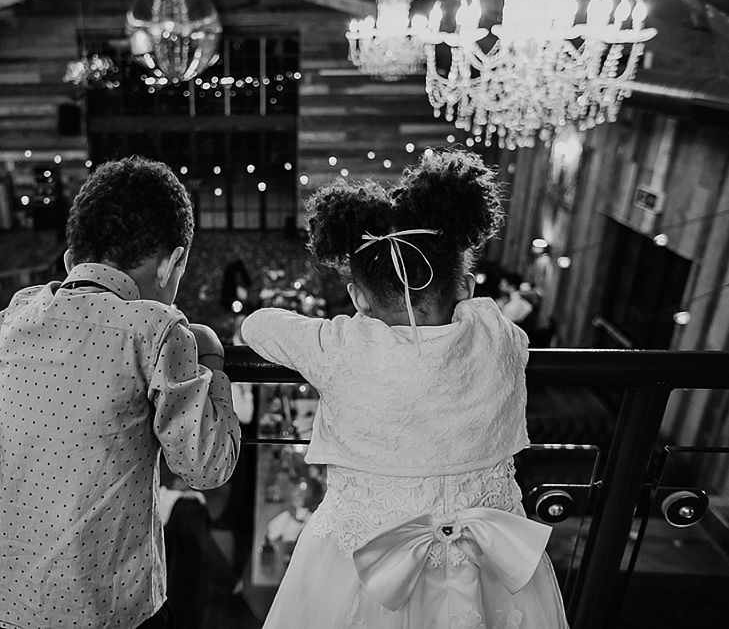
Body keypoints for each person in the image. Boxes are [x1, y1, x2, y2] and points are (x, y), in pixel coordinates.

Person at [241, 150, 568, 629]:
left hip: (361, 569)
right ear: (468, 286)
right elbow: (496, 321)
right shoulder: (498, 335)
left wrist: (358, 321)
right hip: (490, 571)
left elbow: (257, 325)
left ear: (357, 297)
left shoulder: (342, 347)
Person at [0, 157, 241, 629]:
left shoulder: (12, 319)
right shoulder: (156, 328)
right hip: (110, 611)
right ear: (174, 264)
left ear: (71, 260)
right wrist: (209, 353)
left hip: (12, 603)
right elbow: (209, 467)